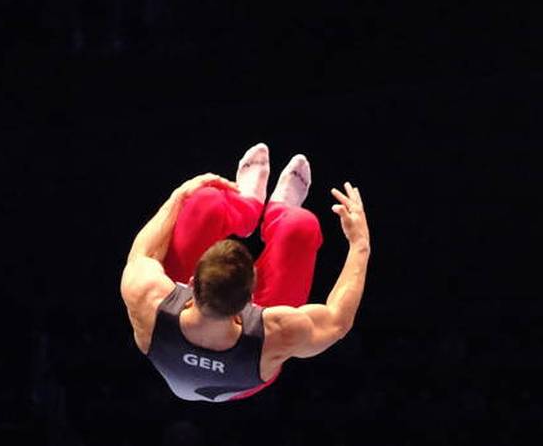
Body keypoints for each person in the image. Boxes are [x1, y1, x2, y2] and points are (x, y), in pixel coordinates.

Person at [119, 143, 371, 402]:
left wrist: (179, 196)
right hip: (247, 379)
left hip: (184, 346)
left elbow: (143, 253)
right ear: (253, 300)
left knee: (205, 201)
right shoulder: (275, 335)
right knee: (300, 228)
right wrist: (360, 244)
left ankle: (247, 206)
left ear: (191, 283)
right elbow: (337, 320)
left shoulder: (148, 298)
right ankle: (280, 212)